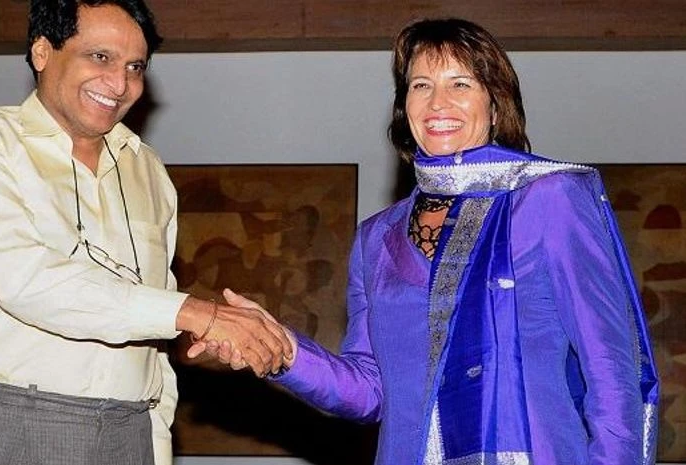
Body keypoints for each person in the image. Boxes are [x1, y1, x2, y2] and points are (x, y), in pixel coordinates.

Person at [197, 17, 660, 465]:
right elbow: (371, 393)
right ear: (405, 106)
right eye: (421, 85)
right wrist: (283, 349)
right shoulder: (377, 238)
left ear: (496, 105)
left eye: (461, 84)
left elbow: (613, 374)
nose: (438, 103)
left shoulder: (549, 198)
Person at [0, 1, 291, 464]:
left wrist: (154, 445)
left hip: (128, 431)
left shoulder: (149, 170)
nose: (120, 84)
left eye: (135, 66)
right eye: (100, 57)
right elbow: (24, 279)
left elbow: (152, 347)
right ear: (41, 51)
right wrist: (196, 314)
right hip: (8, 423)